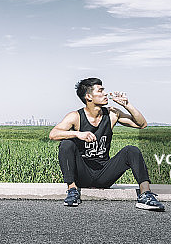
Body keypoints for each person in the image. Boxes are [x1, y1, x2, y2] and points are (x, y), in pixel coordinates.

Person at [48, 77, 164, 211]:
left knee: (131, 150)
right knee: (66, 144)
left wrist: (127, 105)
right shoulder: (75, 116)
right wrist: (77, 134)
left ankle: (145, 195)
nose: (105, 94)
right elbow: (53, 134)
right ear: (88, 96)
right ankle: (72, 190)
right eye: (100, 91)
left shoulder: (112, 114)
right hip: (83, 173)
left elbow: (142, 124)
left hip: (104, 173)